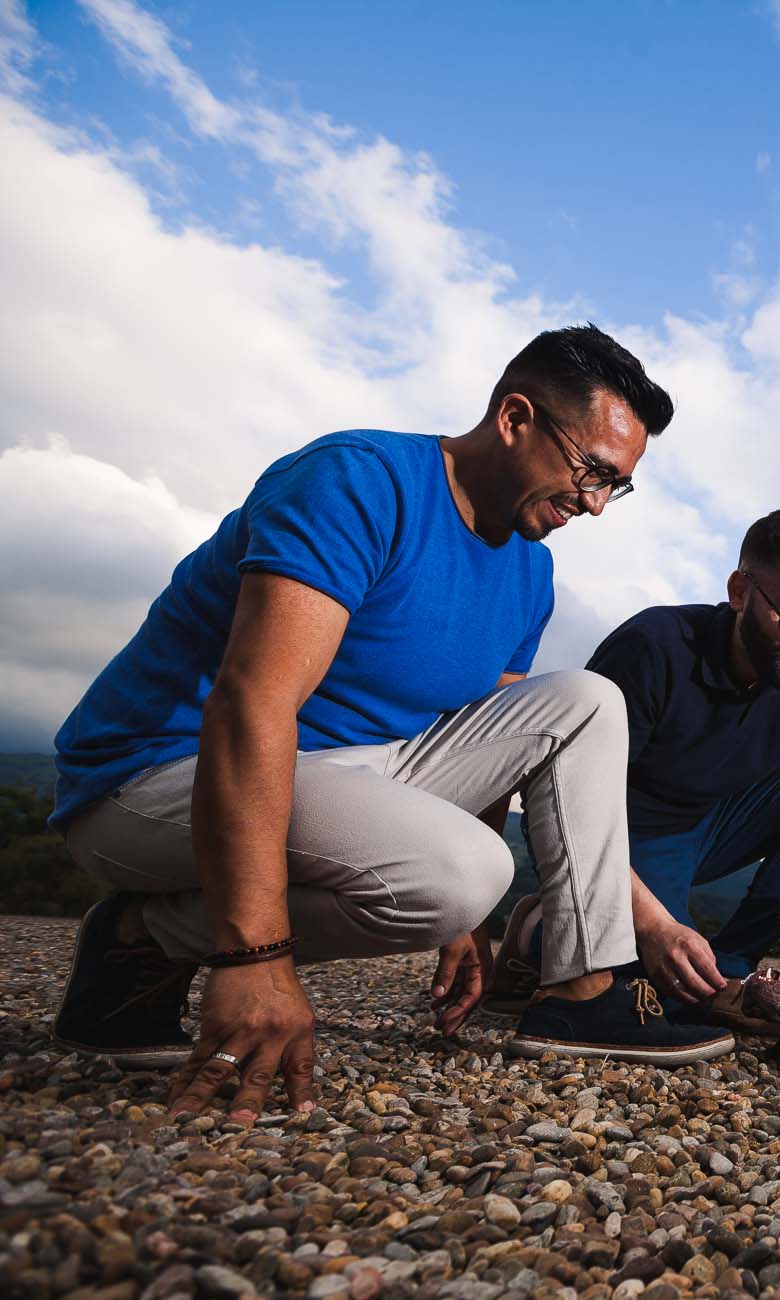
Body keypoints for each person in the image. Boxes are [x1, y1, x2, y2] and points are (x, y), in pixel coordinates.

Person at [49, 324, 733, 1123]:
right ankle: (141, 934)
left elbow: (491, 744)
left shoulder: (529, 570)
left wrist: (466, 931)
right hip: (155, 775)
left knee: (586, 700)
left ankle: (583, 993)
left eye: (615, 486)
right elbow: (250, 704)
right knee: (464, 871)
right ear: (515, 418)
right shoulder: (357, 481)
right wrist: (253, 955)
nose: (594, 503)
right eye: (591, 471)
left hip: (343, 773)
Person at [486, 509, 780, 1018]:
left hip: (712, 823)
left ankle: (736, 961)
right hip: (617, 836)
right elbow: (566, 806)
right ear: (740, 592)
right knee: (652, 980)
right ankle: (533, 930)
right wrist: (656, 925)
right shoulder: (654, 648)